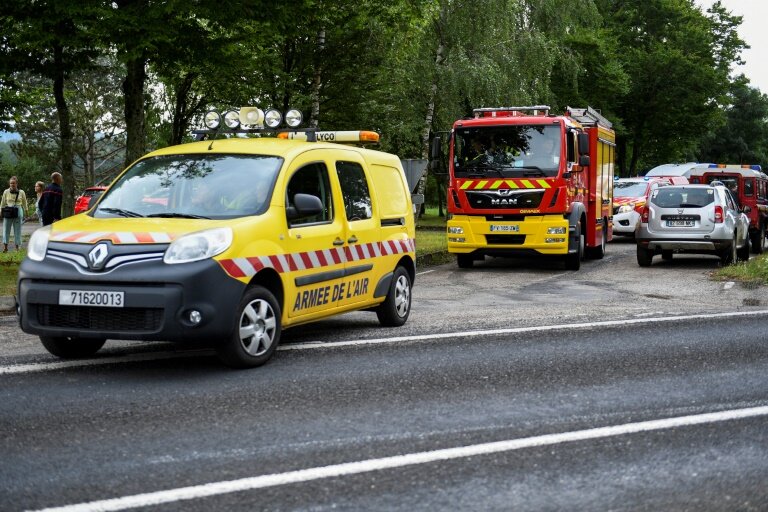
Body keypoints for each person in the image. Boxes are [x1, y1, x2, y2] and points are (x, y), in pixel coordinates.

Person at [1, 176, 28, 252]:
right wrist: (1, 212)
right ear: (9, 184)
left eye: (13, 183)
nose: (12, 184)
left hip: (18, 211)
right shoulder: (6, 191)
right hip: (8, 211)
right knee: (6, 230)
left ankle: (17, 247)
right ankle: (5, 247)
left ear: (17, 183)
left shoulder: (21, 192)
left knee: (17, 230)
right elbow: (2, 203)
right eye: (11, 183)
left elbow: (25, 203)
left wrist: (26, 212)